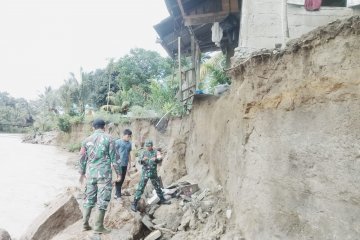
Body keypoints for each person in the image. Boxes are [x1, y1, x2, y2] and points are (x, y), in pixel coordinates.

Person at [78, 118, 120, 233]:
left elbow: (81, 158)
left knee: (89, 199)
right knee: (103, 200)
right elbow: (115, 159)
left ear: (93, 127)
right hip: (104, 175)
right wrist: (119, 173)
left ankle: (85, 225)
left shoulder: (86, 140)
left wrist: (81, 173)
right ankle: (98, 227)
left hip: (90, 174)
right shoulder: (110, 139)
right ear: (104, 127)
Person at [130, 139, 170, 212]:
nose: (148, 147)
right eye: (147, 146)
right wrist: (143, 160)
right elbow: (139, 161)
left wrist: (156, 159)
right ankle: (134, 203)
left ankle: (162, 200)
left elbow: (160, 159)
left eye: (149, 146)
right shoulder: (143, 152)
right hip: (145, 173)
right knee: (141, 187)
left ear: (151, 145)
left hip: (153, 172)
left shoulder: (156, 152)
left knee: (157, 186)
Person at [114, 128, 132, 199]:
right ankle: (118, 195)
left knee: (123, 179)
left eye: (130, 136)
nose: (129, 138)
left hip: (125, 164)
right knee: (119, 179)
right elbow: (114, 153)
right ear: (124, 135)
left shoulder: (129, 144)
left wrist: (130, 163)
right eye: (128, 136)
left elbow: (129, 154)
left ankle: (116, 193)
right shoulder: (118, 142)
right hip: (118, 164)